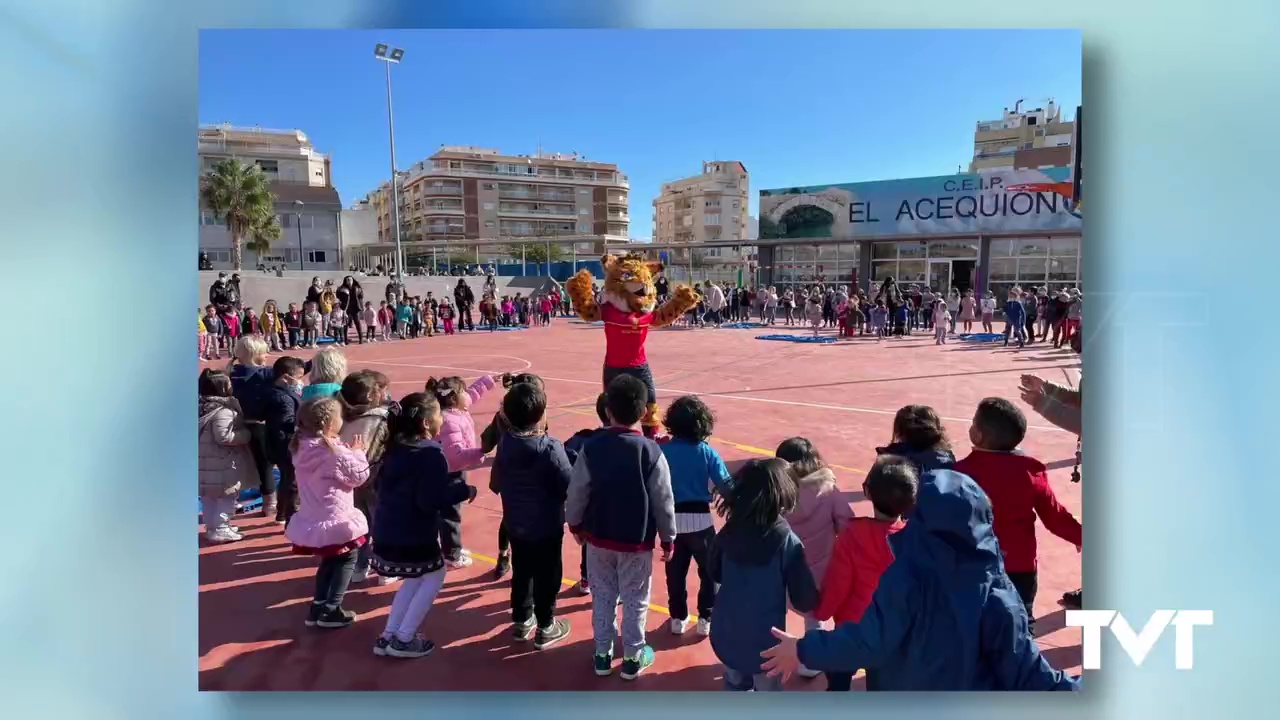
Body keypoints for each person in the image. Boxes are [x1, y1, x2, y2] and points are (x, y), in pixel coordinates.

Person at [759, 464, 1078, 691]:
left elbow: (870, 641)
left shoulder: (904, 577)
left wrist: (803, 649)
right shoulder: (999, 591)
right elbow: (1030, 674)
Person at [565, 374, 676, 680]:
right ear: (643, 413)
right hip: (636, 543)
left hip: (598, 540)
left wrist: (574, 523)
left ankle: (602, 654)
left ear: (607, 410)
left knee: (602, 596)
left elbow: (578, 490)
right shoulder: (651, 451)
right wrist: (669, 538)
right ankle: (632, 656)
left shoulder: (592, 446)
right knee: (636, 599)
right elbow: (663, 499)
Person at [953, 397, 1081, 633]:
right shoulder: (1031, 471)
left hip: (973, 565)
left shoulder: (958, 475)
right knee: (1020, 624)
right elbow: (1055, 516)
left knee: (973, 625)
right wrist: (1081, 537)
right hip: (1019, 566)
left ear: (978, 436)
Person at [370, 392, 478, 659]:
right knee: (434, 575)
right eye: (439, 414)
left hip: (387, 528)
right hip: (413, 532)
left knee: (415, 577)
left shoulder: (394, 447)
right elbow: (430, 499)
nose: (443, 417)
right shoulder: (430, 452)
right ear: (427, 423)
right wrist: (462, 490)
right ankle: (404, 638)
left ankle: (389, 634)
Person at [708, 458, 819, 692]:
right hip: (766, 641)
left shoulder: (729, 531)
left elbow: (714, 571)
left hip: (726, 631)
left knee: (735, 683)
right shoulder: (787, 541)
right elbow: (803, 597)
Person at [812, 455, 916, 691]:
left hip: (852, 628)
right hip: (891, 631)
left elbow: (838, 583)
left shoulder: (852, 536)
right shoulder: (915, 540)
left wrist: (822, 610)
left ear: (868, 493)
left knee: (838, 680)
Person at [490, 381, 574, 649]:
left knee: (522, 571)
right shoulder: (550, 448)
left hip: (516, 523)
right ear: (541, 415)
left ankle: (522, 619)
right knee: (548, 575)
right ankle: (546, 625)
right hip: (547, 526)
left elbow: (495, 483)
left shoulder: (505, 445)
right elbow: (569, 485)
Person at [284, 396, 371, 630]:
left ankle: (319, 605)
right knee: (347, 558)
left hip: (315, 517)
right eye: (339, 417)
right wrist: (358, 452)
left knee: (329, 560)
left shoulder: (301, 446)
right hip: (336, 520)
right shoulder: (332, 452)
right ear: (328, 424)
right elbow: (359, 477)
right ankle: (331, 608)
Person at [777, 437, 852, 678]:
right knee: (815, 615)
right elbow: (847, 525)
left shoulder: (778, 493)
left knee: (776, 607)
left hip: (784, 567)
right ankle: (810, 662)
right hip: (821, 568)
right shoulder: (828, 491)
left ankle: (773, 652)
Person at [661, 396, 732, 637]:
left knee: (675, 573)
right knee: (709, 572)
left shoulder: (663, 451)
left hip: (671, 522)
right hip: (701, 521)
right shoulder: (706, 452)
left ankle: (677, 617)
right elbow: (726, 486)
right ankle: (705, 617)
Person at [428, 373, 503, 568]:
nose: (467, 395)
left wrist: (487, 381)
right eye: (462, 392)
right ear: (454, 398)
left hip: (453, 470)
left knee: (449, 511)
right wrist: (480, 453)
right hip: (449, 472)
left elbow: (472, 394)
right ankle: (451, 553)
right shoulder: (448, 421)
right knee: (450, 514)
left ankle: (449, 546)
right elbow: (456, 455)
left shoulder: (456, 410)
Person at [338, 371, 396, 586]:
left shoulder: (340, 415)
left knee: (360, 526)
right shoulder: (381, 417)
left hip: (349, 479)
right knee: (382, 524)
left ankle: (360, 566)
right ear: (372, 395)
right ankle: (385, 569)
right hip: (375, 478)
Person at [562, 392, 611, 595]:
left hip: (591, 511)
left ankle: (586, 580)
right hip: (620, 514)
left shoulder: (584, 440)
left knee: (589, 545)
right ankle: (612, 588)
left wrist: (574, 521)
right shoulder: (637, 445)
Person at [198, 369, 254, 544]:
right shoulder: (223, 411)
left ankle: (213, 527)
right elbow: (224, 436)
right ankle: (221, 527)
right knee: (227, 495)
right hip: (222, 461)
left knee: (209, 496)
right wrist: (245, 435)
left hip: (205, 460)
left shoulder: (200, 407)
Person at [228, 336, 278, 518]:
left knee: (234, 465)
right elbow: (294, 369)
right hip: (259, 425)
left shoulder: (230, 372)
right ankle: (270, 504)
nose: (267, 355)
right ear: (256, 354)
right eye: (264, 352)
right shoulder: (264, 374)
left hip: (234, 424)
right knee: (264, 465)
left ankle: (231, 503)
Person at [261, 356, 306, 524]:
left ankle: (282, 512)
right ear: (286, 377)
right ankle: (291, 516)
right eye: (299, 377)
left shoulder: (275, 391)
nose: (301, 381)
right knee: (291, 481)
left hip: (277, 443)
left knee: (287, 478)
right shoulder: (284, 398)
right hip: (285, 445)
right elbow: (287, 422)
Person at [337, 276, 365, 344]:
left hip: (355, 308)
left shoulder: (357, 288)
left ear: (353, 280)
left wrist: (361, 308)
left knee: (357, 323)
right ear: (345, 281)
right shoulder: (342, 289)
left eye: (350, 280)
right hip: (346, 308)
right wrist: (341, 291)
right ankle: (345, 340)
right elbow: (338, 296)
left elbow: (361, 297)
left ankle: (361, 338)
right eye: (348, 280)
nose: (349, 281)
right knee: (345, 324)